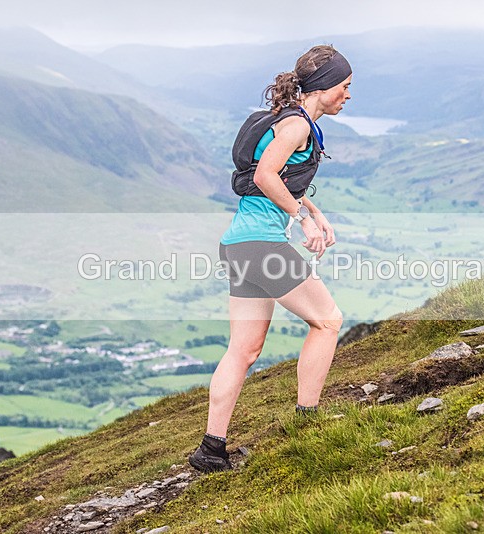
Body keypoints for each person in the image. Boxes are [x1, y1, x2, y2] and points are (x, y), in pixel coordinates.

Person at [188, 45, 352, 473]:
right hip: (262, 247)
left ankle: (210, 450)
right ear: (324, 87)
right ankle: (307, 422)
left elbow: (276, 182)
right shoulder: (297, 126)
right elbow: (264, 176)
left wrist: (315, 212)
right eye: (345, 87)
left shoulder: (292, 121)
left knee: (243, 349)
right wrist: (303, 220)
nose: (348, 96)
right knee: (328, 321)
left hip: (239, 245)